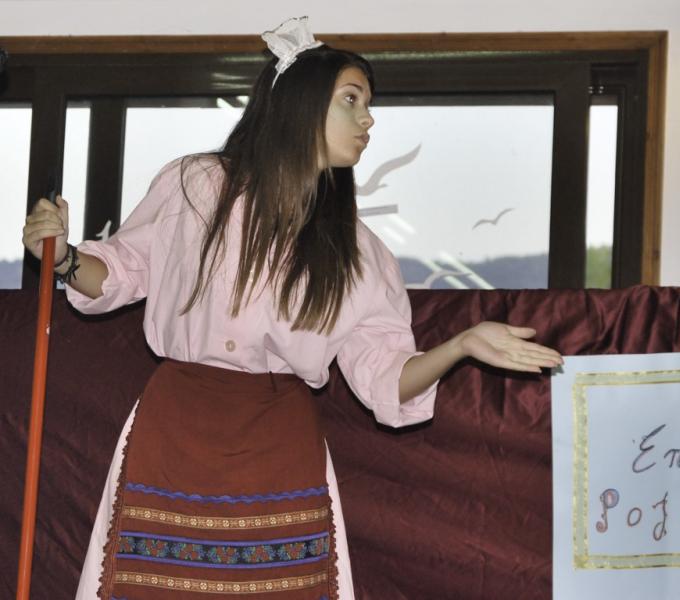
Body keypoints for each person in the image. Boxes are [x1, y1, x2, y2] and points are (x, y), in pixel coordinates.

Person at [22, 18, 562, 600]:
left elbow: (386, 379)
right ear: (300, 103)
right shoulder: (196, 185)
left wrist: (460, 346)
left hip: (278, 444)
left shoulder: (356, 251)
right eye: (351, 100)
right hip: (176, 428)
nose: (369, 120)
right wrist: (63, 258)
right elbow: (123, 271)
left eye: (368, 105)